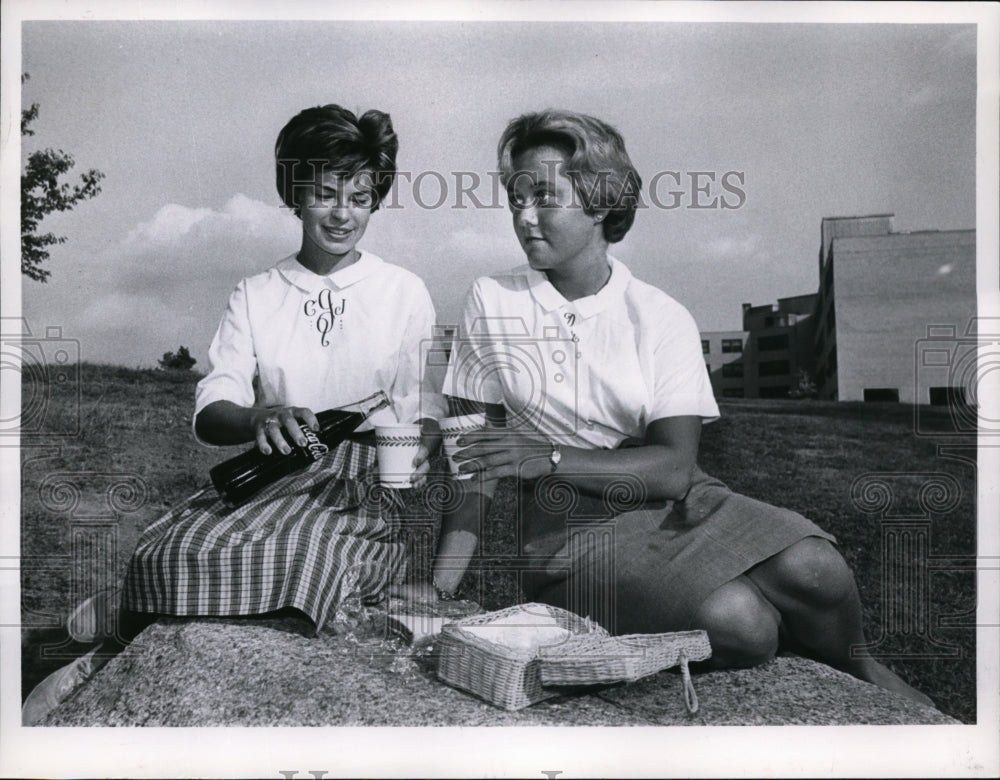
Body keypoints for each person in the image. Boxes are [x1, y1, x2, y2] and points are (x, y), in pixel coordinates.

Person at [433, 108, 933, 707]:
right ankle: (737, 618)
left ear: (600, 202)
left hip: (675, 501)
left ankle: (859, 668)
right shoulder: (492, 300)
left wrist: (547, 454)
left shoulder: (660, 313)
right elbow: (472, 463)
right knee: (741, 626)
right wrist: (440, 590)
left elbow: (673, 468)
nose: (524, 214)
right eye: (516, 197)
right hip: (563, 534)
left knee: (815, 565)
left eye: (544, 196)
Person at [23, 104, 446, 724]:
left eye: (359, 196)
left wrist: (425, 436)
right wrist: (257, 419)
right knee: (166, 549)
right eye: (324, 193)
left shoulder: (404, 291)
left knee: (305, 564)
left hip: (355, 486)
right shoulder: (257, 292)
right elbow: (211, 409)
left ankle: (132, 626)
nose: (342, 212)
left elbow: (423, 411)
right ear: (294, 195)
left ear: (375, 199)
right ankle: (117, 644)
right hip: (270, 473)